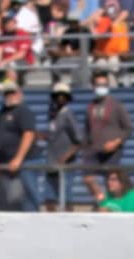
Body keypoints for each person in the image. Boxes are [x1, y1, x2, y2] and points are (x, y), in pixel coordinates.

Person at [0, 82, 42, 210]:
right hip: (8, 162)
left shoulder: (23, 111)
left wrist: (18, 158)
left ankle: (34, 224)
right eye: (6, 93)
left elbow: (28, 135)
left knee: (29, 195)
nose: (9, 96)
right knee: (9, 198)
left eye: (12, 92)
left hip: (26, 161)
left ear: (19, 93)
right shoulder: (3, 111)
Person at [82, 71, 132, 205]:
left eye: (104, 84)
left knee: (111, 181)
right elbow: (87, 130)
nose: (101, 87)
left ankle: (114, 205)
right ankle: (101, 200)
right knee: (87, 178)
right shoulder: (90, 106)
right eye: (99, 84)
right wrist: (84, 149)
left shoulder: (116, 105)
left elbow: (128, 129)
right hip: (94, 150)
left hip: (112, 152)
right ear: (93, 85)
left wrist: (116, 142)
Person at [40, 82, 82, 211]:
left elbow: (79, 141)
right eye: (57, 95)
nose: (60, 98)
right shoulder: (52, 115)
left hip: (65, 164)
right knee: (49, 198)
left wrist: (65, 157)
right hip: (51, 162)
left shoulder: (68, 115)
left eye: (63, 96)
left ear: (67, 98)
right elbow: (54, 135)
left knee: (66, 198)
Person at [0, 15, 33, 89]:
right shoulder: (3, 35)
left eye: (11, 23)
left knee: (11, 65)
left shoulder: (22, 34)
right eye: (7, 24)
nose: (9, 25)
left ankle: (11, 88)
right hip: (5, 62)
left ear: (15, 23)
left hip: (23, 61)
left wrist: (5, 61)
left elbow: (22, 54)